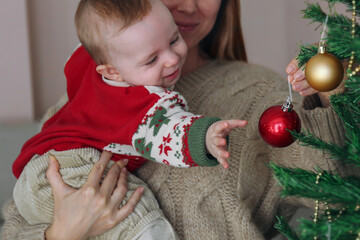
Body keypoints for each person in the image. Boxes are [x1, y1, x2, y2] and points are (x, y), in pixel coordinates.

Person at [1, 0, 348, 239]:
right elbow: (15, 222)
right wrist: (62, 232)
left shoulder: (265, 98)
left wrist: (332, 94)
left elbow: (336, 193)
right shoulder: (87, 93)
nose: (189, 5)